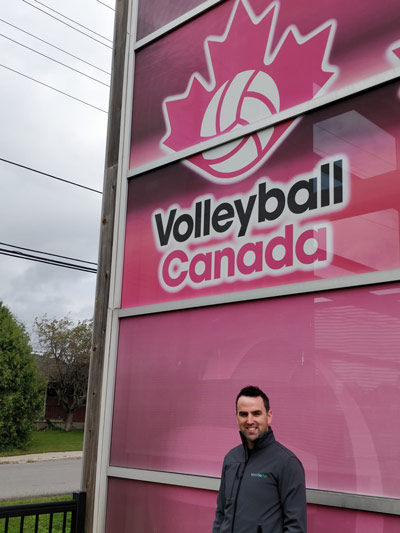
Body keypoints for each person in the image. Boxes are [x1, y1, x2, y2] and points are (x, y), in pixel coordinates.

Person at [212, 385, 307, 533]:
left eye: (256, 413)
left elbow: (296, 527)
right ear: (236, 416)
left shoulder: (286, 463)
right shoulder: (231, 459)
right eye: (243, 414)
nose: (250, 421)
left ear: (268, 416)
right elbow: (221, 514)